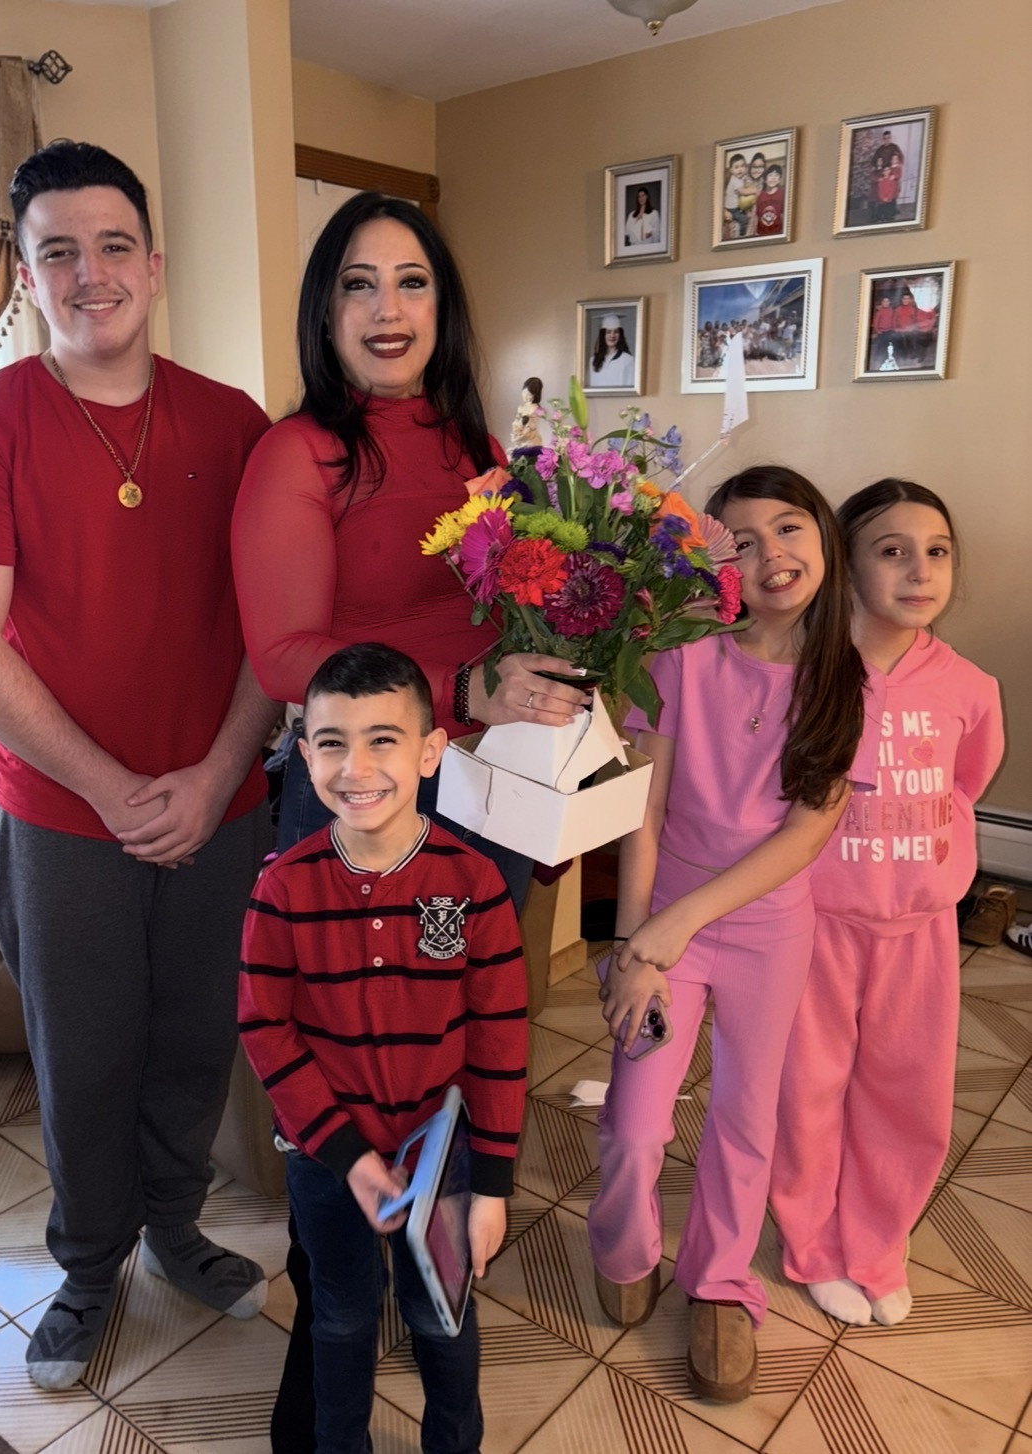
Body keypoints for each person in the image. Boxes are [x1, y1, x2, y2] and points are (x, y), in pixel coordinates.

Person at [0, 141, 276, 1391]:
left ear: (154, 266)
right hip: (63, 819)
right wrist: (114, 787)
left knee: (194, 1036)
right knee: (85, 1055)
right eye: (58, 252)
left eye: (113, 245)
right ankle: (87, 1267)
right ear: (27, 276)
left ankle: (177, 1227)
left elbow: (275, 625)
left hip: (223, 800)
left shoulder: (235, 424)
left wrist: (216, 771)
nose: (90, 273)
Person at [232, 188, 588, 1451]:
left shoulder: (479, 443)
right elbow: (284, 653)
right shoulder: (299, 453)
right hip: (358, 789)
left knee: (451, 1035)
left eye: (412, 281)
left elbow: (512, 600)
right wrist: (461, 688)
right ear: (324, 309)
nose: (388, 309)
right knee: (339, 1064)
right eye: (358, 283)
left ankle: (436, 1287)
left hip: (481, 802)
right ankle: (327, 1348)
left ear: (446, 303)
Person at [589, 466, 876, 1403]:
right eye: (740, 542)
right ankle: (624, 1247)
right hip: (660, 927)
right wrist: (631, 946)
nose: (769, 554)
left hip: (764, 933)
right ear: (714, 565)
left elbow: (806, 832)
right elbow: (644, 807)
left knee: (745, 1120)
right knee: (636, 1124)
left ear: (823, 541)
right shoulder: (679, 655)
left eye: (788, 528)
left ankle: (718, 1281)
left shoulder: (844, 681)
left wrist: (669, 930)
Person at [239, 642, 528, 1454]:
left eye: (383, 740)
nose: (355, 767)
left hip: (442, 1157)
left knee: (441, 1317)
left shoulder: (472, 885)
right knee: (338, 1316)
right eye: (332, 743)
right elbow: (265, 1029)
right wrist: (347, 1157)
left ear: (430, 752)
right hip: (326, 1161)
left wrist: (491, 1186)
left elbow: (499, 1038)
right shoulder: (281, 889)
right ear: (304, 756)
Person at [771, 480, 1003, 1328]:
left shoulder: (970, 688)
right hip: (816, 925)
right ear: (845, 563)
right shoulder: (803, 675)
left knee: (907, 1095)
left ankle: (874, 1244)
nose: (919, 571)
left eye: (935, 552)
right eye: (892, 551)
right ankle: (810, 1245)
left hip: (919, 930)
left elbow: (965, 784)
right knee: (806, 1092)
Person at [589, 313, 635, 389]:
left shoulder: (628, 360)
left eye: (616, 332)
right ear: (603, 335)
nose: (612, 335)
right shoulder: (593, 361)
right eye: (608, 332)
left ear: (620, 335)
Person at [754, 161, 786, 237]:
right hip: (761, 233)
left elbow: (783, 214)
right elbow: (757, 215)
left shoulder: (782, 194)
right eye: (770, 175)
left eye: (776, 175)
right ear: (765, 179)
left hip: (777, 232)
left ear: (779, 179)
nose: (773, 178)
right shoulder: (760, 195)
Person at [722, 153, 749, 240]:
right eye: (736, 167)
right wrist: (755, 190)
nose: (740, 169)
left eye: (742, 166)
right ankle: (742, 235)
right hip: (732, 209)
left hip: (736, 206)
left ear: (745, 168)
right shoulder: (735, 180)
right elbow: (743, 192)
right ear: (731, 170)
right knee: (744, 219)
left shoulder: (741, 178)